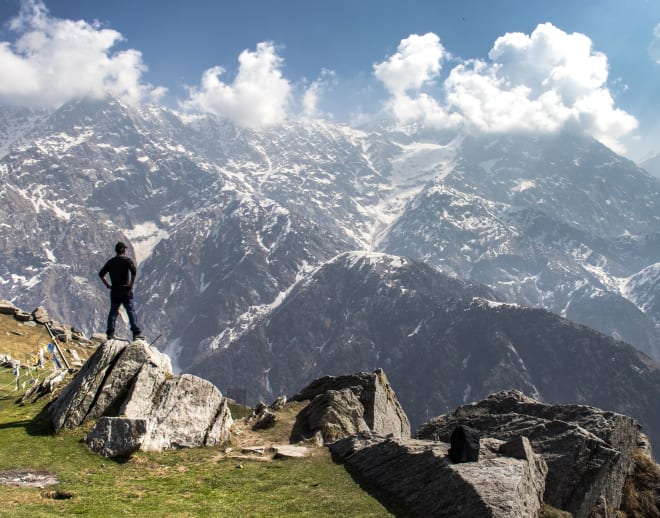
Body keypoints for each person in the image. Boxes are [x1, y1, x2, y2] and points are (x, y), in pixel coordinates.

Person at [99, 242, 145, 341]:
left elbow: (101, 274)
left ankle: (110, 333)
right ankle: (136, 333)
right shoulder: (127, 260)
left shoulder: (111, 262)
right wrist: (131, 284)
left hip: (115, 290)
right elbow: (134, 271)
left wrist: (108, 285)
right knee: (130, 310)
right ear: (124, 250)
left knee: (113, 312)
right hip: (126, 290)